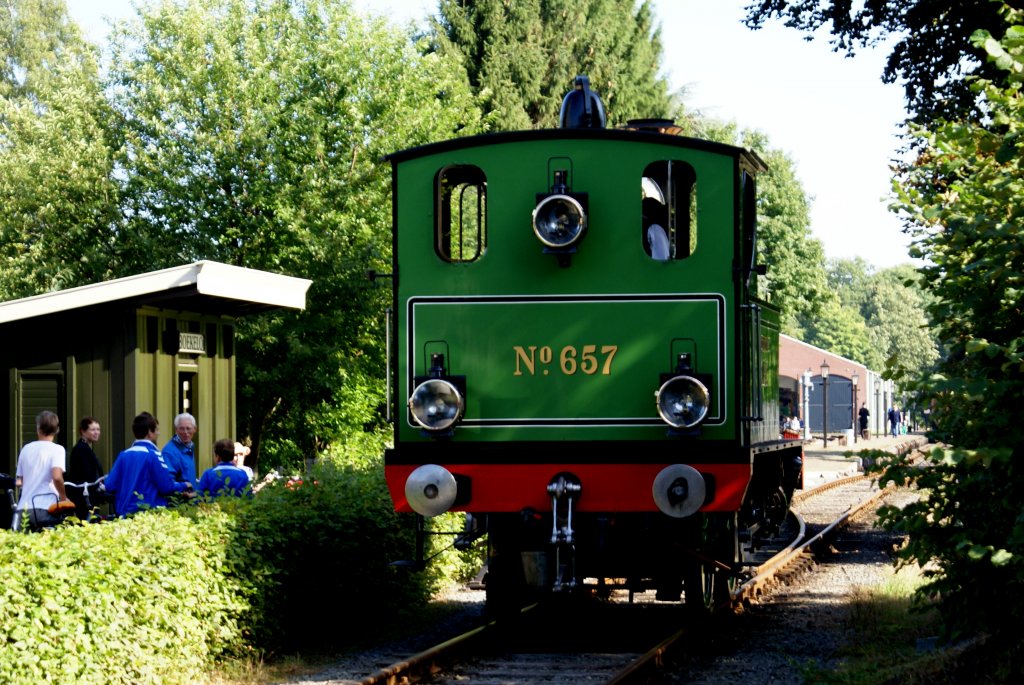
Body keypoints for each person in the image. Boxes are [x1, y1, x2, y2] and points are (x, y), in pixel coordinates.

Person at [105, 412, 193, 516]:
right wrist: (185, 484)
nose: (158, 433)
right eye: (157, 430)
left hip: (123, 515)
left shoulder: (123, 455)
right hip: (147, 516)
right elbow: (166, 487)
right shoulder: (153, 455)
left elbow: (109, 485)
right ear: (149, 433)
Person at [14, 411, 70, 531]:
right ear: (57, 430)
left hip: (23, 508)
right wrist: (64, 497)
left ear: (38, 428)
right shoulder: (57, 449)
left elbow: (20, 481)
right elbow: (56, 477)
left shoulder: (26, 449)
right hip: (46, 508)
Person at [66, 416, 110, 519]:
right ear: (83, 431)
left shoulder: (84, 448)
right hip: (84, 497)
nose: (96, 432)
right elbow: (87, 474)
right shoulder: (81, 449)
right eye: (93, 429)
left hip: (86, 495)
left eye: (98, 429)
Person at [162, 412, 198, 487]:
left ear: (195, 429)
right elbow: (168, 483)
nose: (185, 432)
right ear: (176, 430)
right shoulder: (169, 452)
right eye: (181, 428)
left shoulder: (189, 447)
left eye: (188, 428)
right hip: (180, 497)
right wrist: (185, 485)